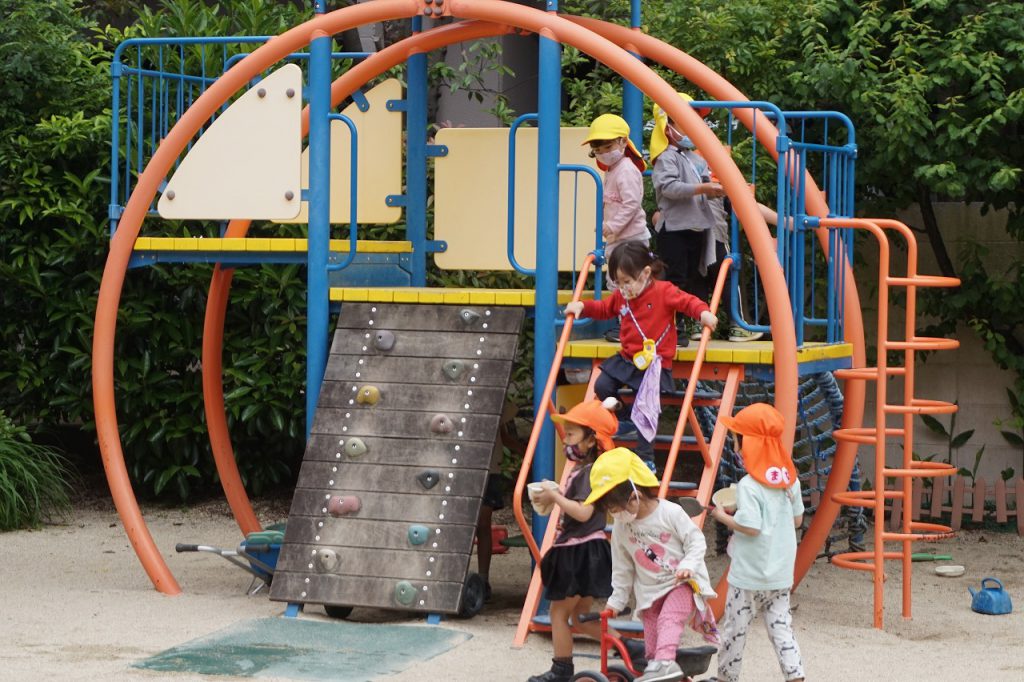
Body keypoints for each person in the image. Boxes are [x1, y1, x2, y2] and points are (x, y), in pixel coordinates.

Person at [564, 242, 717, 469]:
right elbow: (605, 309)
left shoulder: (664, 291)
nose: (623, 288)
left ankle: (646, 459)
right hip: (629, 358)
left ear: (645, 273)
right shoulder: (622, 296)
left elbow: (688, 302)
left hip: (654, 363)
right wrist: (582, 307)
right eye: (618, 283)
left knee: (645, 408)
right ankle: (624, 417)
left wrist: (703, 313)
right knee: (602, 385)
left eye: (627, 282)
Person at [584, 448, 719, 682]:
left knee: (669, 620)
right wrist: (617, 600)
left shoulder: (670, 513)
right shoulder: (622, 528)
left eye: (615, 508)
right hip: (649, 593)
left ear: (634, 496)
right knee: (652, 640)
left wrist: (688, 565)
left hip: (681, 584)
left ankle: (665, 663)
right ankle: (660, 669)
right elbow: (622, 567)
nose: (614, 515)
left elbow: (696, 541)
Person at [709, 402, 806, 682]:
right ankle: (795, 675)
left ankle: (726, 677)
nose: (735, 447)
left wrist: (721, 516)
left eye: (737, 440)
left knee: (735, 631)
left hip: (748, 576)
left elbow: (750, 527)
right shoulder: (790, 481)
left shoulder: (750, 485)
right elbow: (797, 520)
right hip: (780, 573)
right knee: (781, 626)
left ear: (751, 443)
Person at [526, 399, 620, 682]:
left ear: (591, 440)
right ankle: (630, 647)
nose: (565, 440)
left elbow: (583, 512)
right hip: (588, 549)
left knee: (558, 613)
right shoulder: (591, 471)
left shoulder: (588, 473)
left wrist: (555, 497)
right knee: (580, 617)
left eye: (571, 434)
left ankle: (561, 669)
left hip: (579, 551)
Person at [649, 93, 723, 344]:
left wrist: (717, 190)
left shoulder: (695, 159)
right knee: (674, 279)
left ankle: (677, 324)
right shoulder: (666, 157)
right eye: (685, 121)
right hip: (675, 229)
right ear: (667, 126)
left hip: (695, 227)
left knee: (690, 278)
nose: (692, 127)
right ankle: (667, 327)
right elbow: (669, 188)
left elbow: (705, 187)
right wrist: (703, 189)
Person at [582, 113, 650, 343]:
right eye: (598, 150)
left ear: (623, 142)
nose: (603, 153)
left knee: (631, 283)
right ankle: (626, 326)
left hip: (631, 239)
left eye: (608, 147)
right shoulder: (613, 170)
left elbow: (632, 203)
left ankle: (635, 328)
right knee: (618, 283)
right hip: (619, 238)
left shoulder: (627, 170)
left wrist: (612, 226)